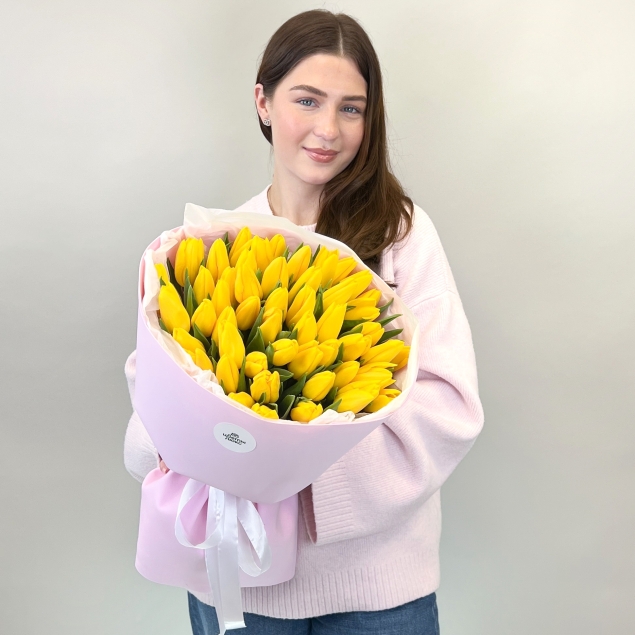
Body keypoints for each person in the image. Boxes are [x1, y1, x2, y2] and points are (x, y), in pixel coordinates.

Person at [124, 9, 484, 635]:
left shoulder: (400, 235)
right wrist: (194, 447)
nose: (328, 129)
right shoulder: (216, 243)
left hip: (377, 594)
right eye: (307, 100)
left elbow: (448, 405)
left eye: (352, 108)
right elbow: (155, 393)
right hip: (238, 582)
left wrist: (296, 477)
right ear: (263, 102)